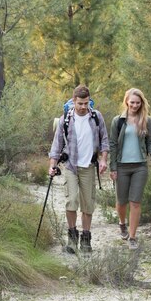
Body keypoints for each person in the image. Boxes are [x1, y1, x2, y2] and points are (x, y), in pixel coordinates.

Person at [49, 84, 109, 253]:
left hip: (89, 166)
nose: (83, 107)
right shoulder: (65, 120)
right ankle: (72, 237)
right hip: (71, 166)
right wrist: (52, 166)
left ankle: (86, 239)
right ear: (74, 101)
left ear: (89, 101)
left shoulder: (97, 117)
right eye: (80, 103)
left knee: (88, 204)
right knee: (71, 201)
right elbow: (56, 146)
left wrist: (103, 160)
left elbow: (104, 140)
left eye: (86, 103)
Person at [109, 87, 151, 250]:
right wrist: (113, 167)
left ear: (141, 103)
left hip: (140, 166)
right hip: (122, 166)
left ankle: (132, 237)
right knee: (121, 202)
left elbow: (150, 143)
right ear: (126, 102)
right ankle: (122, 223)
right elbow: (113, 145)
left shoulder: (147, 120)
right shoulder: (118, 121)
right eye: (132, 102)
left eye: (138, 103)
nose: (135, 105)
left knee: (135, 202)